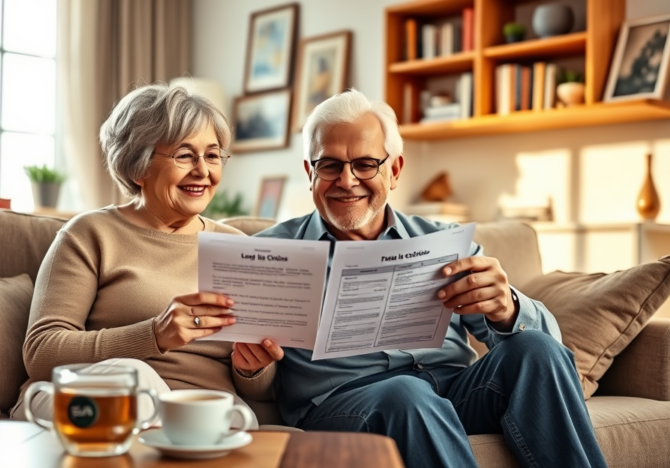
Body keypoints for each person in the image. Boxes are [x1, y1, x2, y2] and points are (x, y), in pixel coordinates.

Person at [255, 89, 607, 468]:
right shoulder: (271, 253)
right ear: (310, 173)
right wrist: (251, 364)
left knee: (536, 348)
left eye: (365, 164)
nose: (347, 179)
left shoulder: (444, 242)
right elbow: (249, 367)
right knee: (406, 393)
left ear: (394, 171)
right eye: (329, 166)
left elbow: (555, 356)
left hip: (455, 391)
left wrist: (508, 308)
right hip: (343, 405)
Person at [11, 83, 281, 423]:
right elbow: (42, 351)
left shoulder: (239, 248)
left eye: (212, 155)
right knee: (136, 385)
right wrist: (154, 335)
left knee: (240, 418)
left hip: (201, 411)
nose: (203, 170)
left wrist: (252, 369)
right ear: (138, 165)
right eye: (184, 155)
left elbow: (261, 392)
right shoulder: (90, 234)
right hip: (99, 399)